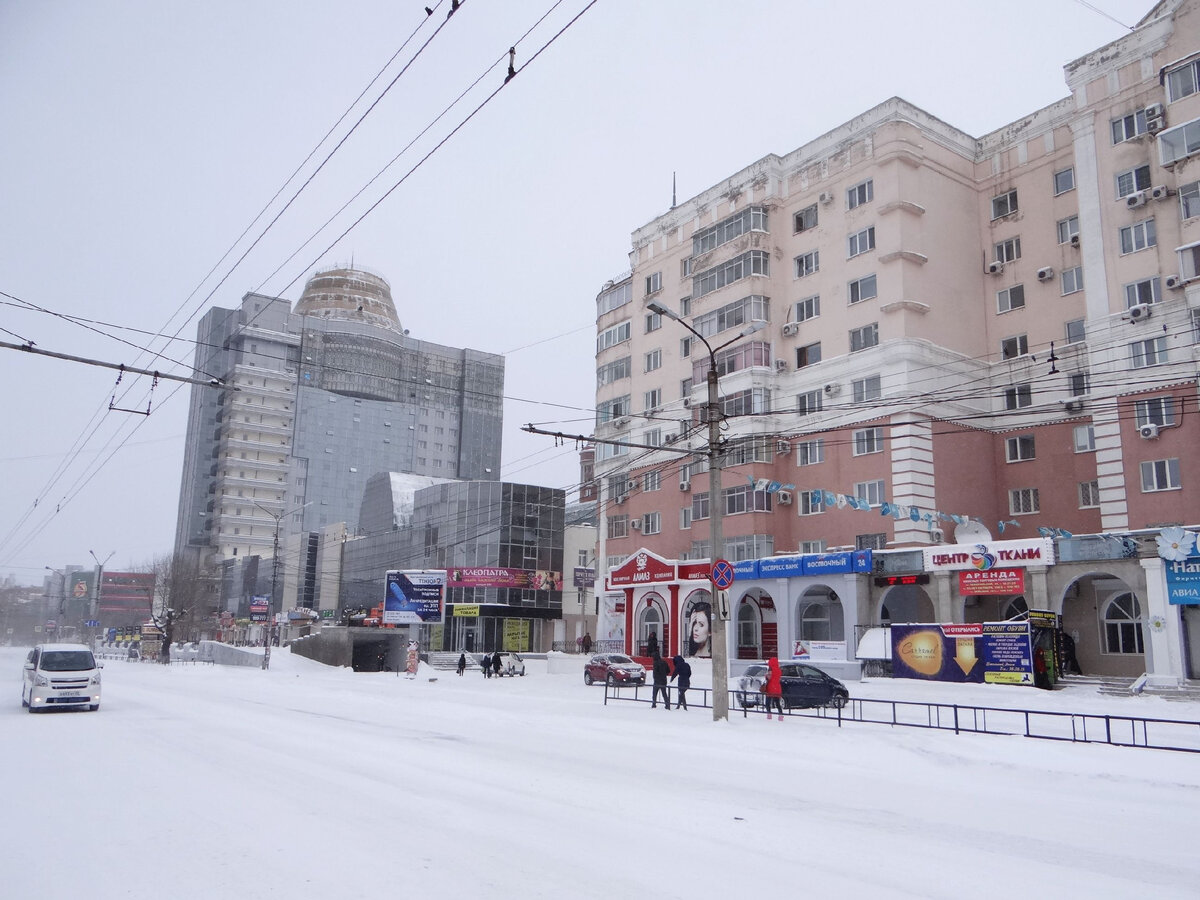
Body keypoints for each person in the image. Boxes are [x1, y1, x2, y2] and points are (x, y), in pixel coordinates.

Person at [762, 656, 784, 720]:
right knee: (777, 703)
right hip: (777, 688)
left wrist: (766, 675)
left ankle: (769, 714)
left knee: (768, 703)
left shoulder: (770, 670)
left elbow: (769, 677)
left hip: (770, 688)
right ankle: (780, 715)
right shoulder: (779, 670)